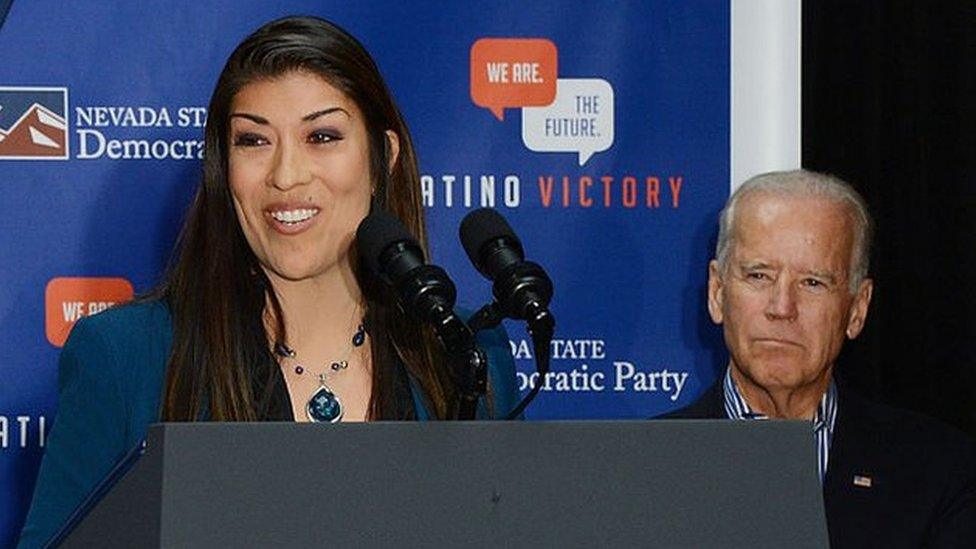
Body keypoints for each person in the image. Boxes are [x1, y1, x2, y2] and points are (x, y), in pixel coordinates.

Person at [17, 16, 518, 548]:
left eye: (322, 136)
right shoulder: (125, 356)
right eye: (254, 141)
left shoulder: (465, 351)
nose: (286, 175)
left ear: (382, 160)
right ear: (223, 167)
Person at [667, 170, 976, 547]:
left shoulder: (940, 472)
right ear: (717, 293)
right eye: (760, 275)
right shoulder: (642, 471)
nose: (782, 308)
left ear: (857, 309)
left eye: (813, 282)